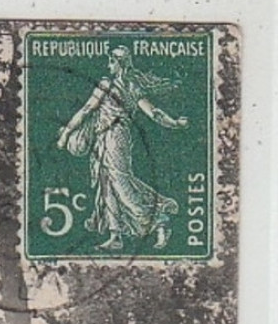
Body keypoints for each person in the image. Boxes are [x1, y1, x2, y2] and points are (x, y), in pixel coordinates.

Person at [56, 46, 189, 251]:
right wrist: (175, 123)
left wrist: (66, 134)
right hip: (107, 138)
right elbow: (155, 113)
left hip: (114, 138)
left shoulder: (107, 85)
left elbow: (86, 110)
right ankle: (115, 235)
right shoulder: (133, 86)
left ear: (118, 63)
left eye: (111, 61)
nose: (108, 65)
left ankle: (158, 220)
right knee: (107, 183)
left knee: (120, 183)